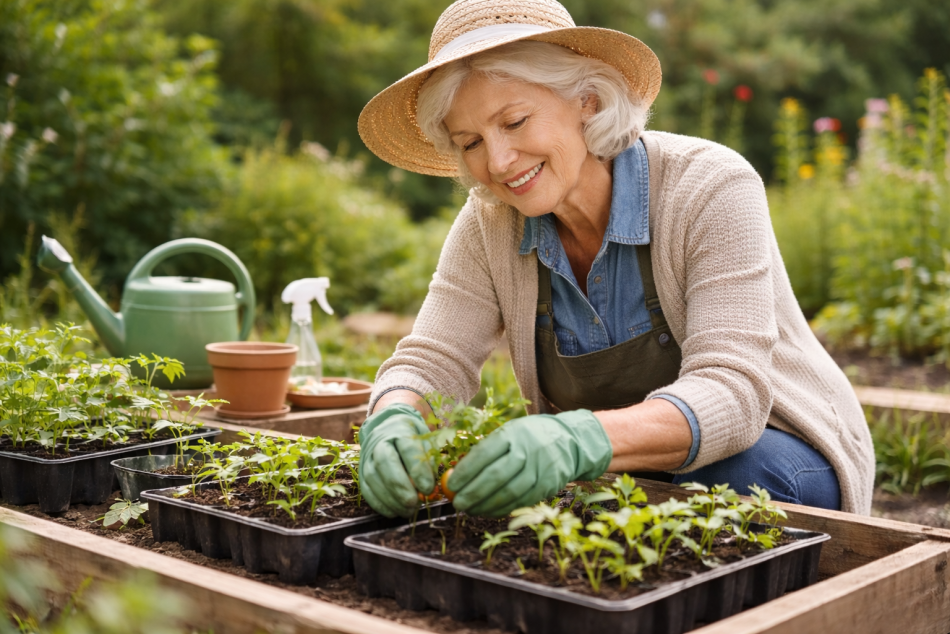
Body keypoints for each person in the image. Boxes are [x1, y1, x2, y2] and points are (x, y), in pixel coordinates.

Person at [355, 0, 874, 519]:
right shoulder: (490, 224)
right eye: (471, 142)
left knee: (721, 484)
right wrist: (394, 414)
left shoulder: (710, 186)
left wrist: (577, 437)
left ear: (586, 99)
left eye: (513, 121)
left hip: (778, 448)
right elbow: (433, 359)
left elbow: (733, 395)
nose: (497, 161)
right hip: (629, 471)